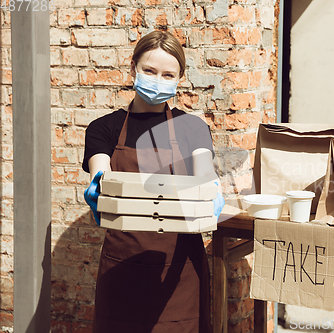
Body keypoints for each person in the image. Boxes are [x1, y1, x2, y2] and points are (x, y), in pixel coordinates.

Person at [82, 30, 224, 333]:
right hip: (123, 267)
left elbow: (204, 170)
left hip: (180, 272)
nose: (157, 80)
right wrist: (98, 185)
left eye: (167, 74)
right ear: (133, 68)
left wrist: (211, 188)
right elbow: (101, 168)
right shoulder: (103, 129)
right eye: (149, 71)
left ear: (180, 78)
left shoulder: (192, 128)